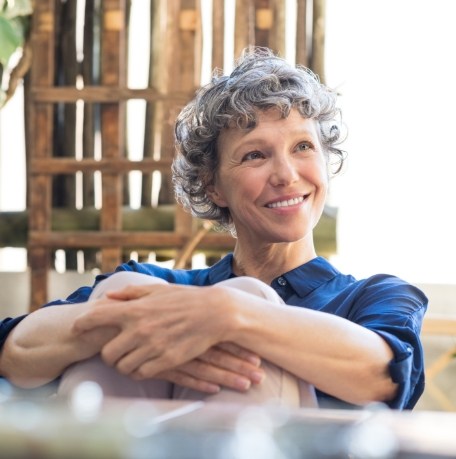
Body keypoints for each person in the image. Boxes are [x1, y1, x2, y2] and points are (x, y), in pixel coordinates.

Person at [0, 47, 427, 410]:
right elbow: (15, 351)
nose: (286, 175)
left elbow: (384, 376)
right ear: (214, 186)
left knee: (247, 295)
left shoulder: (375, 296)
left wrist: (232, 315)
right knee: (119, 294)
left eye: (302, 147)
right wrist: (123, 321)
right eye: (255, 155)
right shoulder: (154, 284)